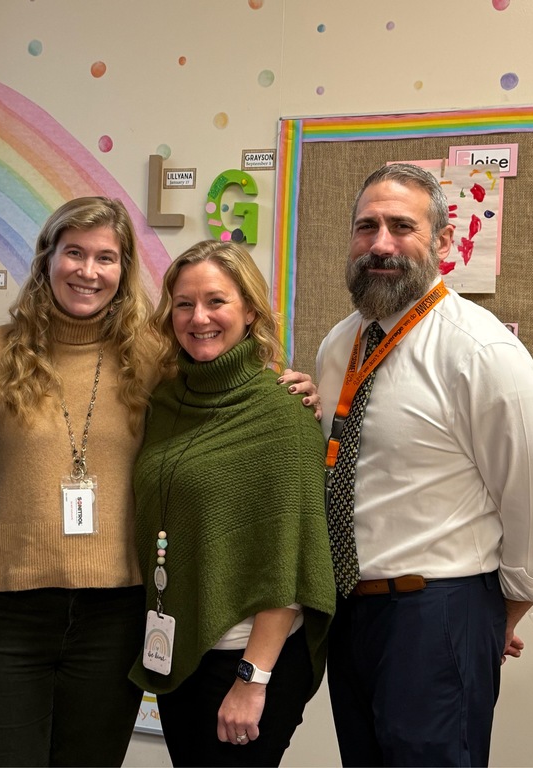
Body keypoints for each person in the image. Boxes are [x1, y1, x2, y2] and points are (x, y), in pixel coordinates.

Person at [0, 201, 319, 767]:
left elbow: (226, 385)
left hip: (114, 615)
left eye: (107, 257)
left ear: (124, 270)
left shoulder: (153, 358)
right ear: (46, 259)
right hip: (5, 613)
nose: (88, 270)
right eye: (74, 252)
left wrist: (287, 385)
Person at [316, 163, 533, 767]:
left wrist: (497, 613)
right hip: (350, 615)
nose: (380, 243)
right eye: (366, 227)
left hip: (438, 613)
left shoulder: (481, 351)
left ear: (442, 242)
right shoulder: (339, 345)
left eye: (401, 226)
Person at [130, 240, 336, 767]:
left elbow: (291, 562)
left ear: (250, 311)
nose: (199, 317)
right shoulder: (166, 402)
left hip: (247, 664)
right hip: (184, 655)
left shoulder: (283, 415)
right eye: (183, 303)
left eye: (216, 302)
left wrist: (253, 678)